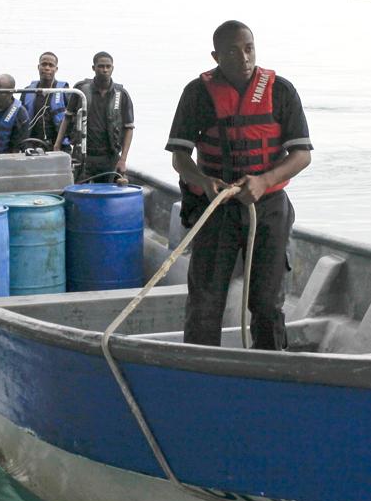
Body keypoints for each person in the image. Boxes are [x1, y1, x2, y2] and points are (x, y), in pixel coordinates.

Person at [166, 21, 312, 350]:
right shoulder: (197, 93)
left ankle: (271, 370)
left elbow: (301, 155)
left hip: (269, 209)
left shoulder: (281, 91)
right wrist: (203, 180)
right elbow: (179, 156)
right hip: (215, 208)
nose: (244, 57)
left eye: (249, 48)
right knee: (205, 302)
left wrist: (264, 181)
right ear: (216, 56)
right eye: (233, 51)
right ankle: (200, 369)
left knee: (267, 305)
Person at [57, 51, 134, 183]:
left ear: (112, 68)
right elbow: (67, 117)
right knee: (80, 191)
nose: (105, 70)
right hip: (83, 155)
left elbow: (129, 128)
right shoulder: (80, 90)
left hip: (109, 157)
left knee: (108, 194)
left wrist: (123, 159)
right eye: (101, 66)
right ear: (94, 68)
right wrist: (57, 144)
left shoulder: (121, 94)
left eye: (108, 67)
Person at [21, 51, 71, 150]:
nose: (47, 68)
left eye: (51, 65)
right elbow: (20, 119)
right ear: (38, 67)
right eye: (44, 64)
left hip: (58, 145)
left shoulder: (65, 91)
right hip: (31, 144)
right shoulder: (27, 91)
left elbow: (72, 118)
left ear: (56, 69)